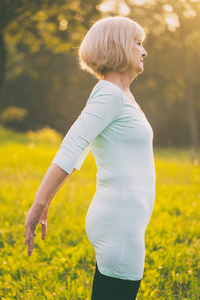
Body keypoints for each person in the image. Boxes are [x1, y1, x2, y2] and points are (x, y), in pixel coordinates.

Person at [25, 16, 156, 300]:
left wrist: (48, 200)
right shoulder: (109, 93)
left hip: (123, 221)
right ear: (119, 46)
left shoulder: (122, 95)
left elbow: (80, 152)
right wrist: (39, 204)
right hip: (118, 221)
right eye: (138, 43)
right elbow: (72, 147)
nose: (144, 51)